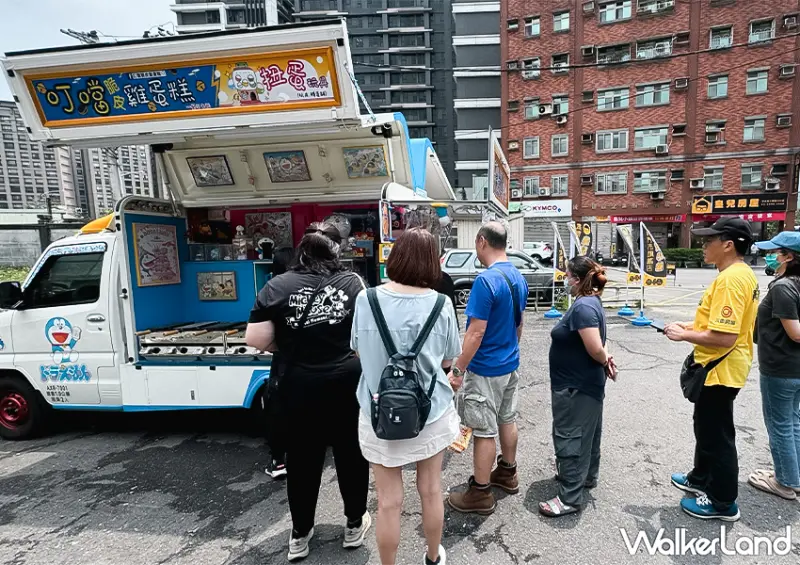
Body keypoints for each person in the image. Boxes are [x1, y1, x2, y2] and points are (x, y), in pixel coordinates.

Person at [246, 223, 370, 562]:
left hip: (298, 384)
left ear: (301, 253)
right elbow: (366, 334)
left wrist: (288, 347)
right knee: (351, 455)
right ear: (335, 253)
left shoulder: (277, 286)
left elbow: (254, 339)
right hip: (346, 383)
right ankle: (354, 524)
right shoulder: (353, 283)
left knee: (302, 459)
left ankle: (300, 534)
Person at [352, 228, 461, 565]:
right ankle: (432, 557)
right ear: (433, 262)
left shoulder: (366, 299)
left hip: (378, 411)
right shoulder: (441, 304)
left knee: (388, 501)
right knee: (430, 490)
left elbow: (357, 351)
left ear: (394, 256)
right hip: (430, 411)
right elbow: (447, 361)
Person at [664, 217, 758, 522]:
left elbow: (725, 336)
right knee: (705, 426)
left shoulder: (731, 280)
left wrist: (683, 335)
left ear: (728, 245)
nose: (704, 245)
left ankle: (722, 502)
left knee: (717, 435)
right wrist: (689, 325)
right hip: (721, 366)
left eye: (710, 240)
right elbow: (719, 323)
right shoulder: (739, 274)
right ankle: (700, 477)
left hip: (721, 369)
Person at [446, 221, 528, 515]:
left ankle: (480, 493)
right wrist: (512, 351)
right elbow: (519, 323)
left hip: (486, 369)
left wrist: (457, 371)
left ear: (482, 241)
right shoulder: (518, 276)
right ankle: (508, 472)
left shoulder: (485, 281)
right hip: (509, 364)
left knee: (483, 430)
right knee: (507, 418)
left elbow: (475, 333)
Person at [539, 256, 617, 517]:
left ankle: (569, 498)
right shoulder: (591, 303)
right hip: (584, 383)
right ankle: (585, 477)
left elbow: (595, 347)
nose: (565, 279)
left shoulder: (583, 307)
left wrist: (604, 358)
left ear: (578, 278)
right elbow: (599, 344)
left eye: (568, 275)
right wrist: (606, 358)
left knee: (571, 437)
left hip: (575, 387)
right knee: (588, 434)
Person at [748, 231, 800, 500]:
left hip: (780, 368)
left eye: (776, 252)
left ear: (788, 257)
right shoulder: (792, 283)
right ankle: (794, 475)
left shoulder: (783, 287)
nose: (770, 256)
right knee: (793, 421)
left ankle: (784, 482)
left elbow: (796, 332)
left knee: (780, 423)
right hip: (794, 369)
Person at [262, 246, 295, 479]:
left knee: (277, 408)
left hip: (283, 362)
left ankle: (278, 461)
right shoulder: (312, 285)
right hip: (310, 361)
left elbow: (257, 337)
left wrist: (279, 347)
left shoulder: (271, 290)